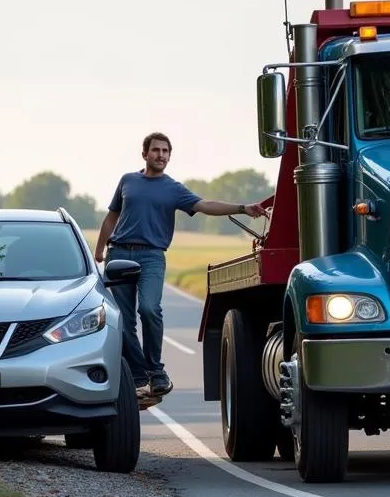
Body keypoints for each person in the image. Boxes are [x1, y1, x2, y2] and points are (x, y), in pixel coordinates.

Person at [94, 131, 270, 399]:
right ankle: (142, 375)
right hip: (118, 253)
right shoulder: (127, 181)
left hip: (152, 256)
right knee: (123, 320)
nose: (161, 155)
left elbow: (205, 204)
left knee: (150, 309)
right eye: (156, 150)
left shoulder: (173, 188)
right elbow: (112, 217)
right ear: (145, 154)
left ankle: (156, 371)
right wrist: (99, 250)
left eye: (166, 151)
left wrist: (242, 207)